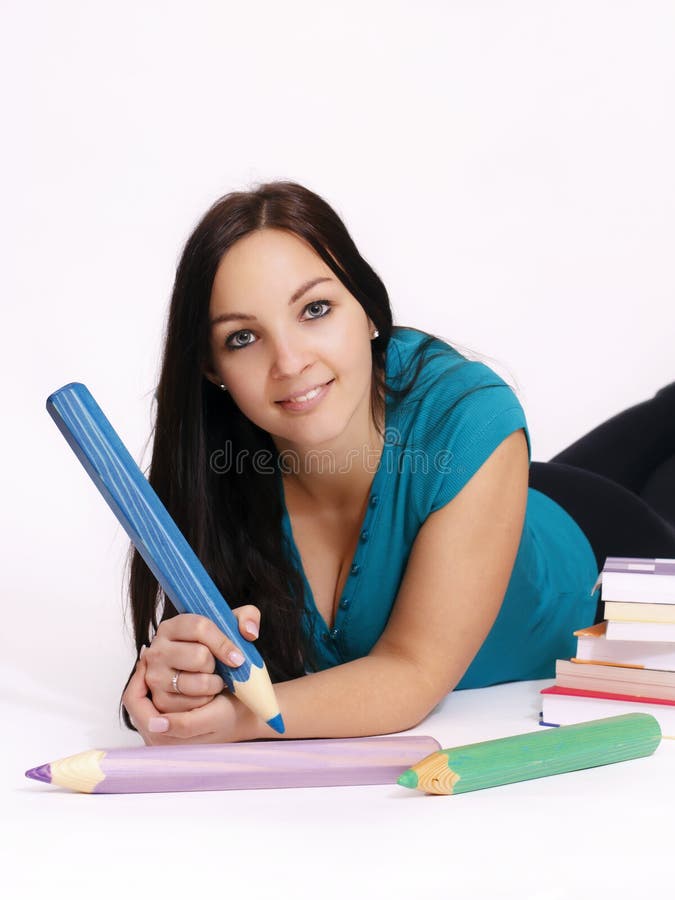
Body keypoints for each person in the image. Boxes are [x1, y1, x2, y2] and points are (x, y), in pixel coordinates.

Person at [120, 181, 675, 745]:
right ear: (212, 367)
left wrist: (240, 720)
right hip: (499, 498)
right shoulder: (218, 468)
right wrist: (174, 682)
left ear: (367, 311)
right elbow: (228, 664)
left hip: (609, 556)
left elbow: (413, 673)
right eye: (242, 337)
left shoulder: (463, 415)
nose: (289, 362)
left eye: (315, 309)